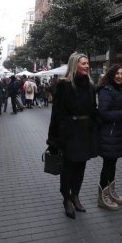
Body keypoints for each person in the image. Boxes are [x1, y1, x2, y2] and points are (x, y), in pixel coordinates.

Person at [47, 52, 98, 219]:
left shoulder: (90, 85)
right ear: (75, 65)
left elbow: (93, 111)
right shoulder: (64, 85)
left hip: (84, 132)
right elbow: (56, 114)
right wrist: (53, 140)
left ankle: (75, 195)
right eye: (84, 63)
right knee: (68, 169)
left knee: (80, 168)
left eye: (87, 63)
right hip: (68, 134)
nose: (87, 66)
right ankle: (66, 198)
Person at [97, 65, 122, 211]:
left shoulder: (119, 90)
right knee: (108, 165)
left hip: (117, 133)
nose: (120, 76)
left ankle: (110, 192)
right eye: (117, 73)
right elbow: (103, 113)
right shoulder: (106, 90)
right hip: (108, 134)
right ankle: (102, 197)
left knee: (112, 164)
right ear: (112, 75)